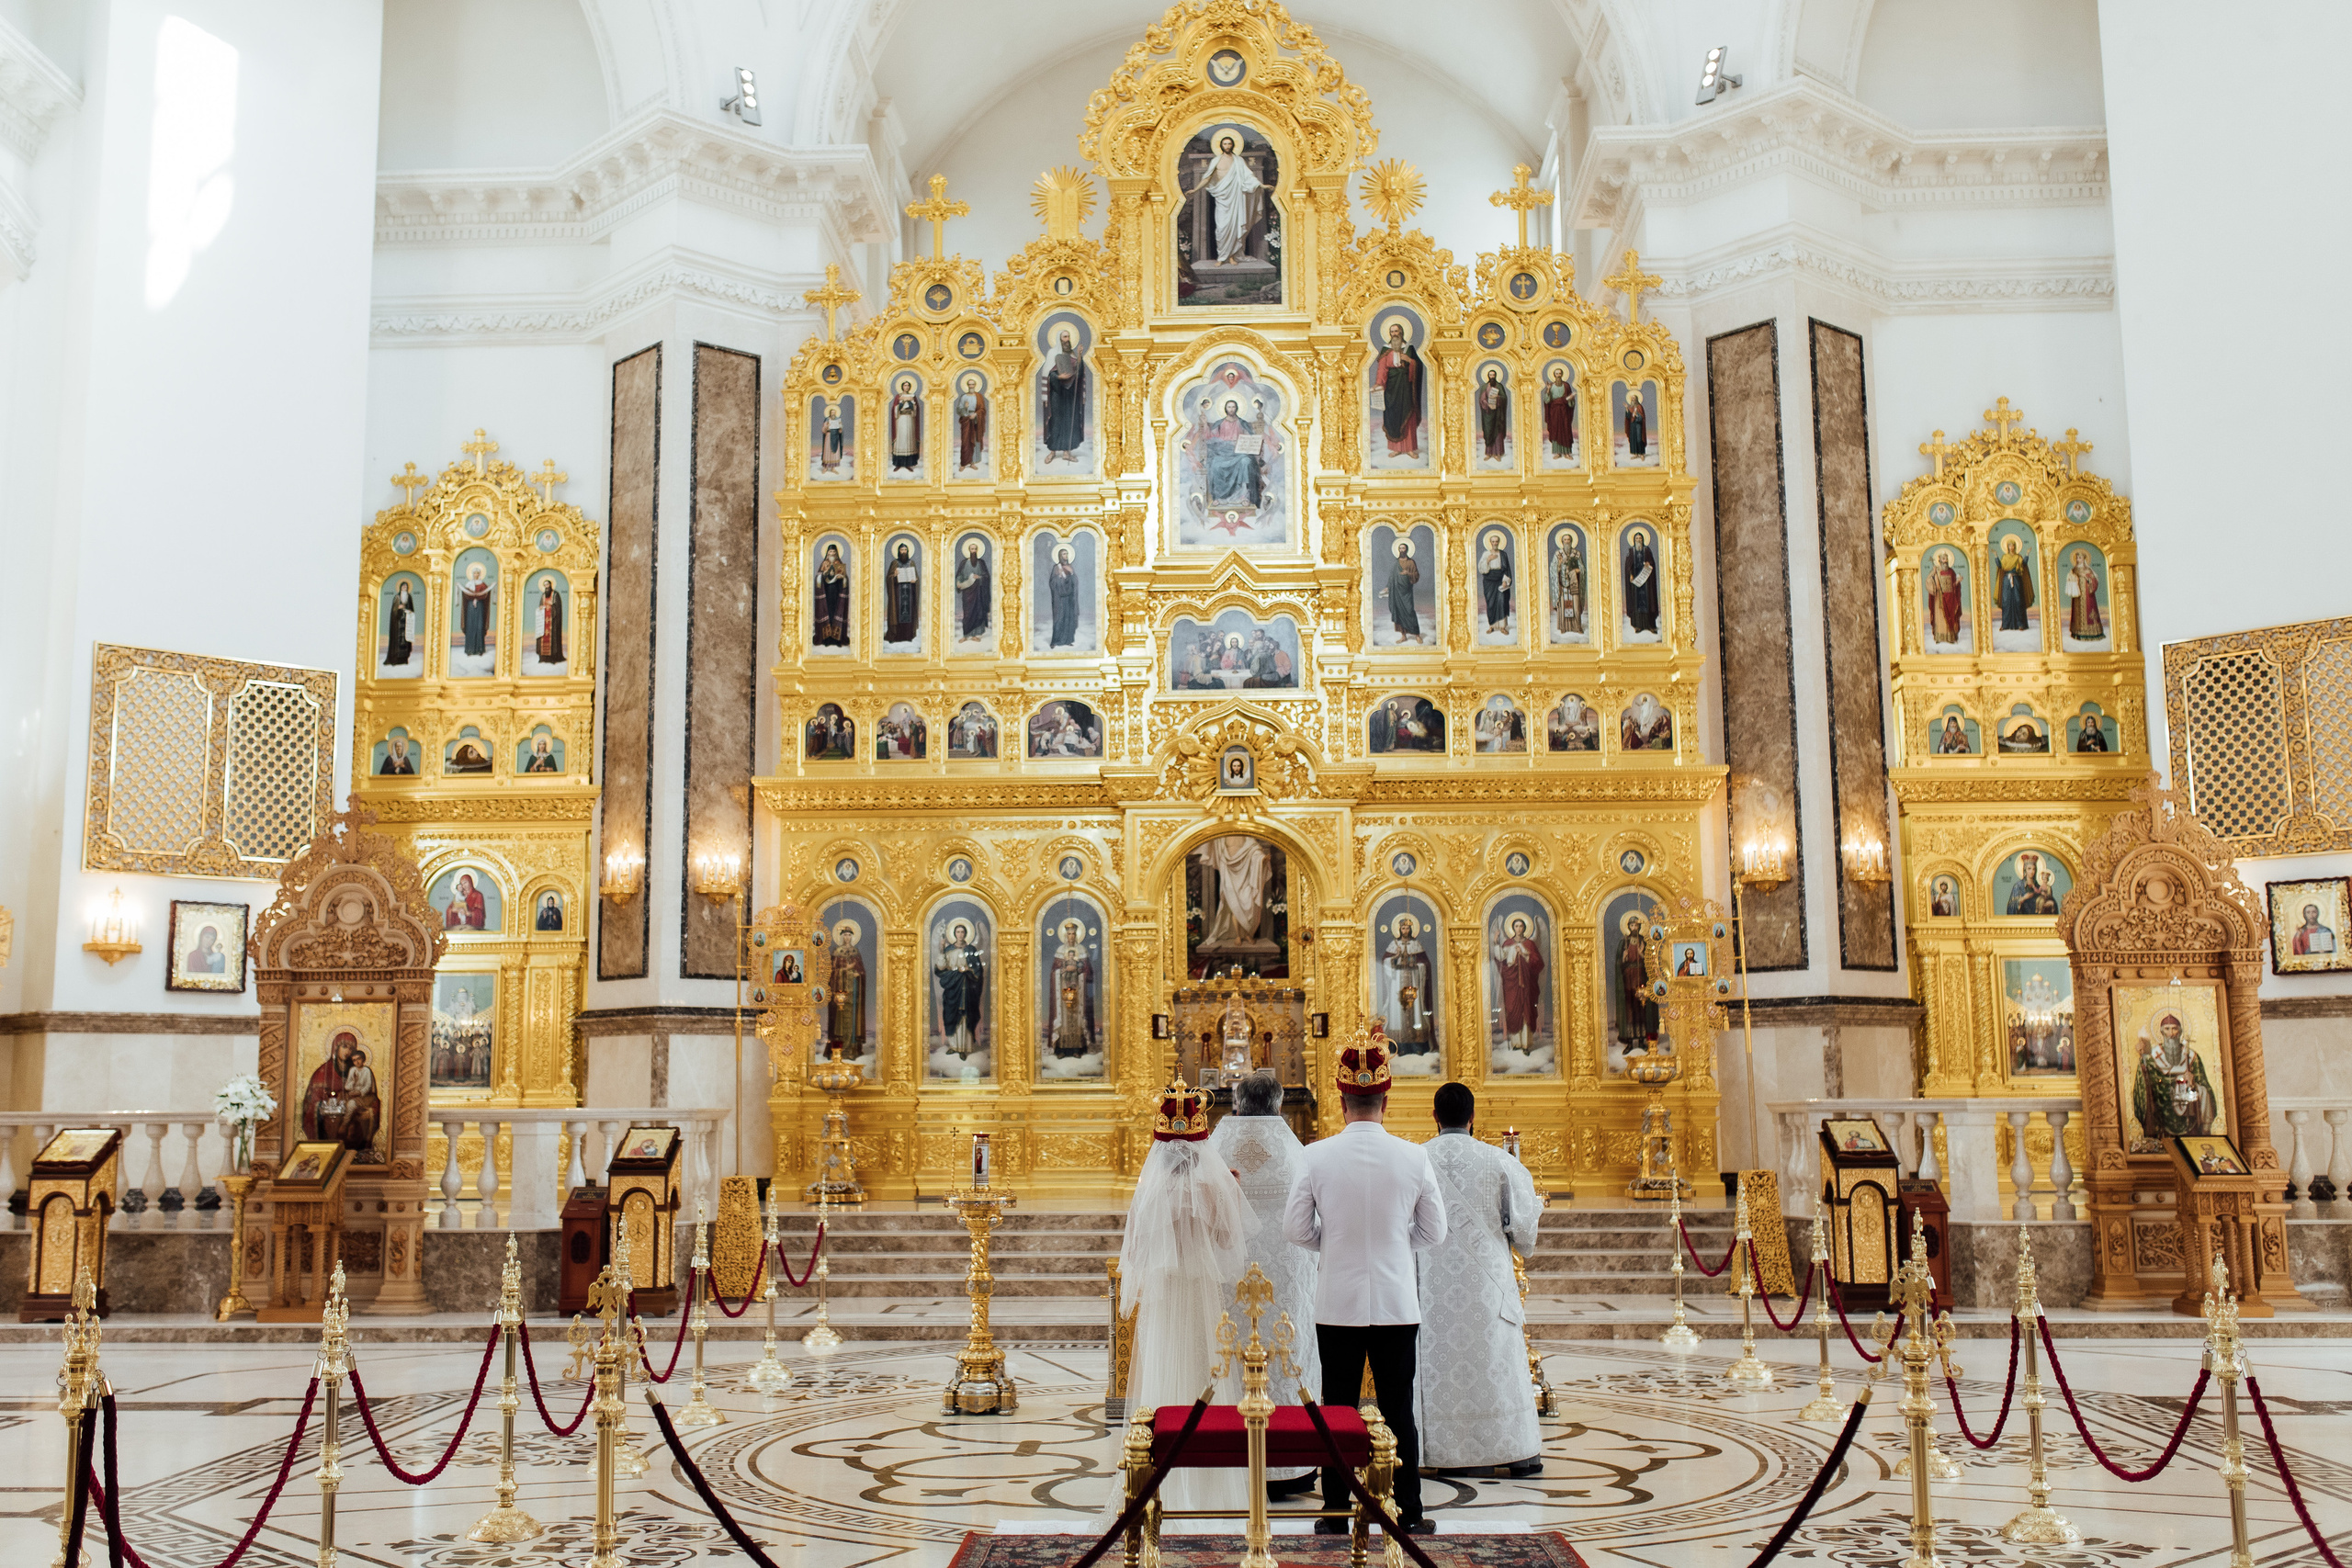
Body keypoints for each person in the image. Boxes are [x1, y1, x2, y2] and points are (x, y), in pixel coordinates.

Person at [1284, 1031, 1445, 1535]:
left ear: (1340, 1099)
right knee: (1399, 1410)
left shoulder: (1316, 1155)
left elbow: (1295, 1229)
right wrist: (1396, 1245)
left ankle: (1336, 1510)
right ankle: (1409, 1510)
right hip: (1397, 1303)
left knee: (1338, 1408)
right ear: (1386, 1099)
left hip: (1337, 1302)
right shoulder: (1415, 1156)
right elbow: (1434, 1232)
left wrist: (1331, 1246)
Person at [1117, 1078, 1256, 1516]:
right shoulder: (1212, 1187)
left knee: (1162, 1376)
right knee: (1205, 1376)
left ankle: (1158, 1485)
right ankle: (1212, 1487)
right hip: (1200, 1294)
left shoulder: (1150, 1191)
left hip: (1164, 1298)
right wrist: (1231, 1193)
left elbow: (1135, 1253)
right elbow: (1230, 1242)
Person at [1417, 1083, 1544, 1477]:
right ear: (1473, 1118)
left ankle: (1442, 1451)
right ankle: (1513, 1449)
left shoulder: (1414, 1159)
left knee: (1438, 1364)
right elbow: (1525, 1236)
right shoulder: (1500, 1162)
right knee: (1495, 1363)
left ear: (1434, 1117)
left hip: (1430, 1286)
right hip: (1490, 1286)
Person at [1206, 1071, 1321, 1499]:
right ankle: (1290, 1463)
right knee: (1287, 1354)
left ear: (1236, 1103)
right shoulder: (1297, 1151)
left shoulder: (1215, 1146)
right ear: (1278, 1104)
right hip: (1287, 1276)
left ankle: (1230, 1454)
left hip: (1228, 1270)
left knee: (1228, 1354)